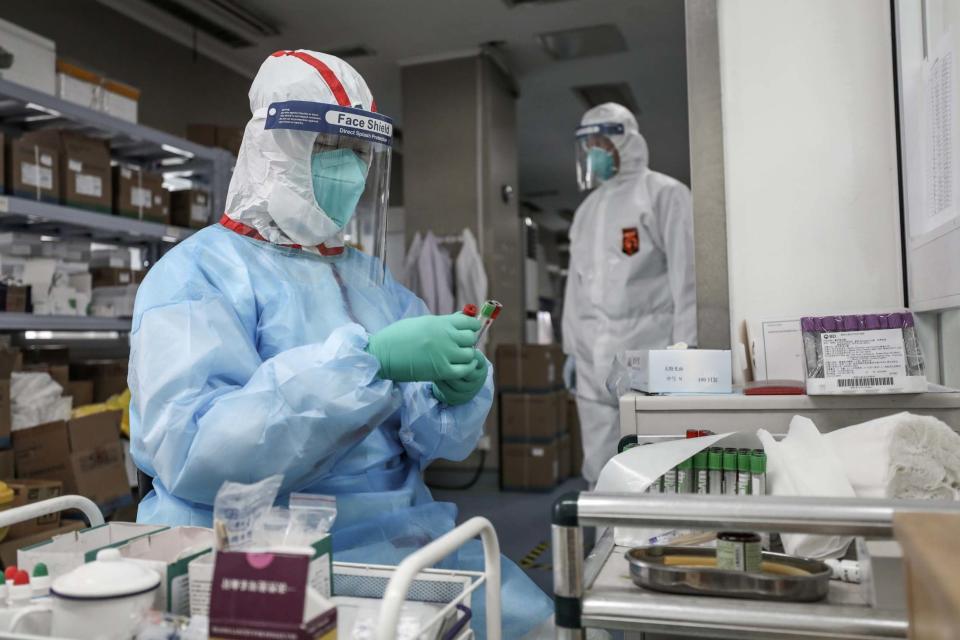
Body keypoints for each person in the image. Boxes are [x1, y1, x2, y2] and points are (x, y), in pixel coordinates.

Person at [129, 50, 552, 637]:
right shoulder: (195, 276)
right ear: (274, 149)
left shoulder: (373, 282)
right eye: (329, 151)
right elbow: (197, 453)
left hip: (403, 538)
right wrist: (369, 363)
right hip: (257, 548)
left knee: (539, 625)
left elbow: (439, 446)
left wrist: (452, 391)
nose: (349, 171)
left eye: (358, 154)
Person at [562, 102, 697, 485]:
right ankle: (605, 540)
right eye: (588, 145)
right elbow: (575, 288)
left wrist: (685, 354)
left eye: (601, 142)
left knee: (655, 466)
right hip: (592, 363)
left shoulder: (665, 195)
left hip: (649, 358)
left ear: (626, 141)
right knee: (599, 470)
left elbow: (686, 282)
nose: (594, 153)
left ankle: (650, 542)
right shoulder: (587, 211)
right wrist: (571, 349)